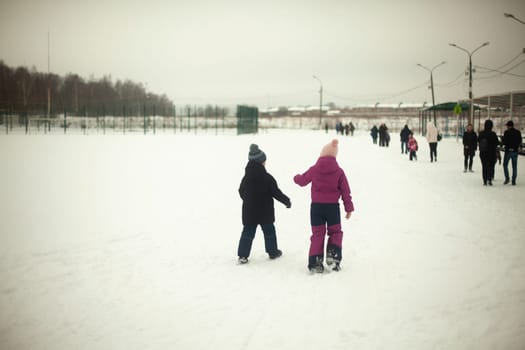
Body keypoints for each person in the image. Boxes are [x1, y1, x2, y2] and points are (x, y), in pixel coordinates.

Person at [293, 139, 354, 273]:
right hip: (333, 209)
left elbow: (302, 180)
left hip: (317, 208)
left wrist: (296, 177)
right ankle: (333, 258)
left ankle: (315, 262)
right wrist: (348, 208)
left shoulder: (314, 169)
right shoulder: (339, 172)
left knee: (317, 234)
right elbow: (345, 191)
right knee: (335, 232)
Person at [237, 144, 291, 264]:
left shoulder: (246, 178)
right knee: (269, 232)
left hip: (249, 211)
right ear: (260, 162)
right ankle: (273, 252)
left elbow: (241, 191)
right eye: (264, 162)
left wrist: (248, 200)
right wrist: (286, 200)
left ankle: (243, 255)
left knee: (248, 232)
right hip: (265, 212)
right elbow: (276, 192)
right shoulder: (267, 178)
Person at [477, 119, 500, 186]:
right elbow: (497, 143)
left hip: (483, 152)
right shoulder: (493, 134)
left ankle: (484, 180)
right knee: (490, 166)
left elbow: (478, 141)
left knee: (484, 166)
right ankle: (489, 179)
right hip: (491, 153)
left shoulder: (481, 133)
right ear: (491, 126)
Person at [501, 120, 522, 185]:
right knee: (514, 166)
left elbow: (504, 142)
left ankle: (507, 178)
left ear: (508, 126)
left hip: (508, 151)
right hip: (515, 151)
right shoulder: (518, 132)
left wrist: (502, 139)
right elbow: (519, 141)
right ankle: (513, 180)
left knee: (505, 165)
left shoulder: (506, 132)